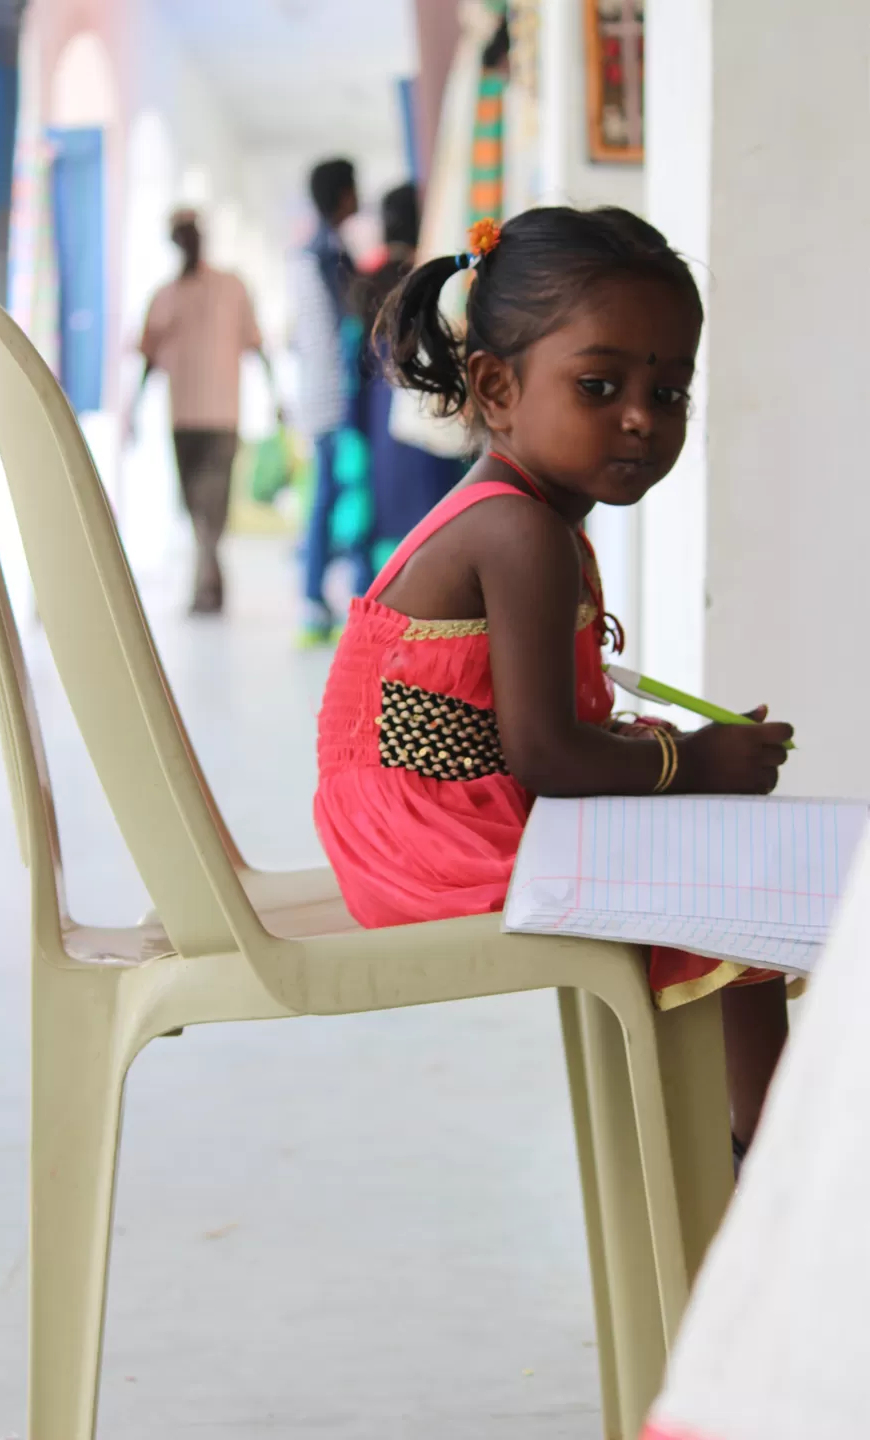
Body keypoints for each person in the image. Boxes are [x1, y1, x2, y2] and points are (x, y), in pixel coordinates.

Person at [315, 206, 795, 1158]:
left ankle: (743, 1152)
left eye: (669, 391)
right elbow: (544, 755)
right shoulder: (520, 532)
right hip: (433, 835)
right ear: (497, 388)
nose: (641, 417)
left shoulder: (529, 518)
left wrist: (681, 762)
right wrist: (693, 762)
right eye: (599, 385)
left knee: (728, 852)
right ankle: (766, 1167)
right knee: (737, 881)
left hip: (443, 813)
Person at [133, 209, 264, 615]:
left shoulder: (232, 287)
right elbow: (149, 356)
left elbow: (257, 344)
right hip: (184, 416)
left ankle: (204, 587)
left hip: (223, 414)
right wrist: (134, 409)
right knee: (195, 506)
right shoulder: (165, 296)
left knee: (213, 505)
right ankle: (211, 582)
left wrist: (276, 399)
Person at [343, 182, 467, 574]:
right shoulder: (439, 277)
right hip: (432, 419)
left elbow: (355, 361)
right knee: (434, 527)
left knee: (389, 533)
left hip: (383, 421)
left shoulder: (371, 279)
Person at [290, 158, 370, 644]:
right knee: (333, 499)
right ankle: (316, 600)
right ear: (343, 195)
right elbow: (345, 327)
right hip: (334, 398)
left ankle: (316, 598)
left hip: (320, 395)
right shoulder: (328, 255)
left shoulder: (316, 250)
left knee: (327, 498)